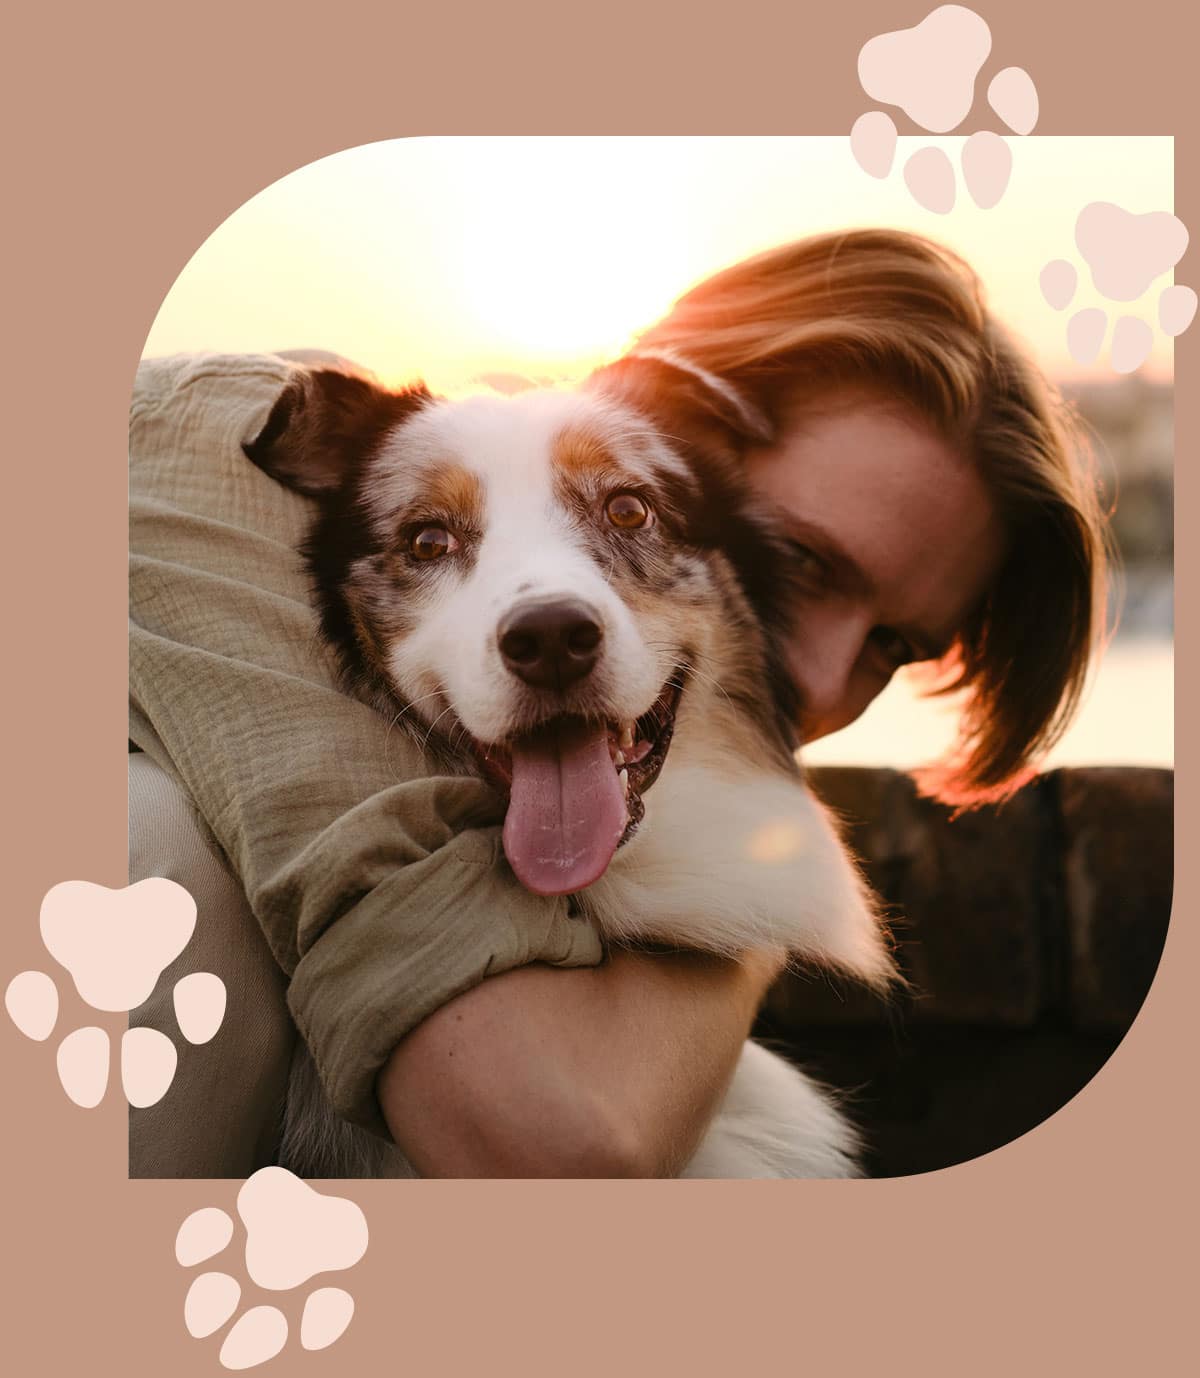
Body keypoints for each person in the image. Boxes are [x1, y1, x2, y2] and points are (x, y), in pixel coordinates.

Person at [128, 228, 1108, 1178]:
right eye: (803, 561)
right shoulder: (230, 455)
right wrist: (762, 890)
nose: (816, 681)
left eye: (891, 646)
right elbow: (552, 1145)